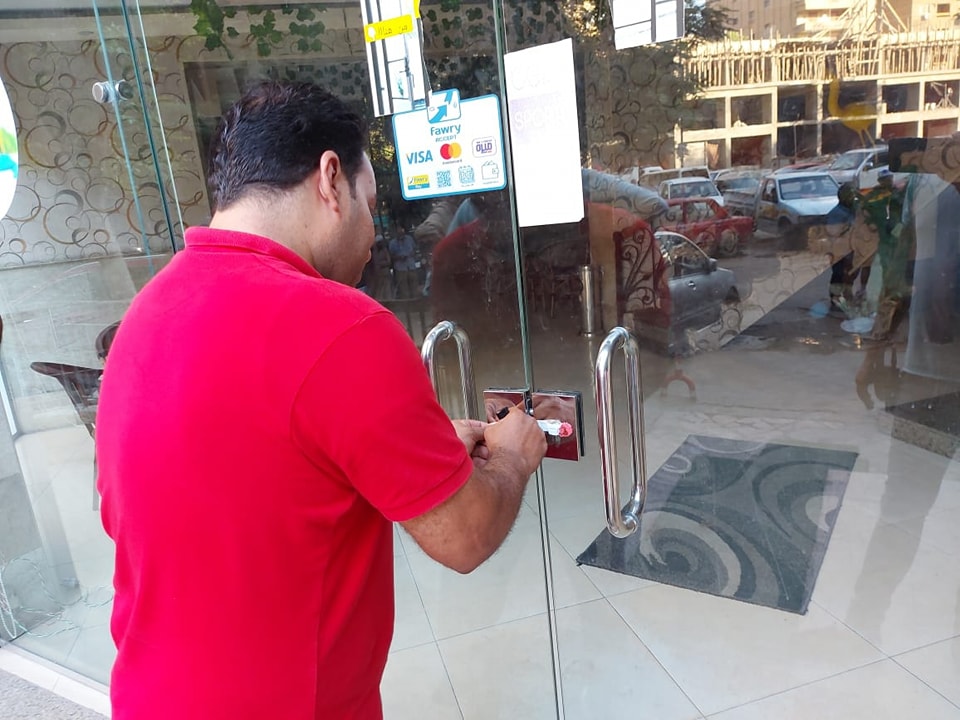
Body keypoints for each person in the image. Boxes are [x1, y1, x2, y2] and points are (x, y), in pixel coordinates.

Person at [95, 81, 547, 720]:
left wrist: (420, 452)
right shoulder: (344, 327)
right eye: (370, 204)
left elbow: (254, 475)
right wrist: (513, 455)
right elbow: (465, 536)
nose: (372, 235)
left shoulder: (146, 314)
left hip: (148, 697)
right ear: (331, 179)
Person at [388, 225, 418, 297]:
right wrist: (399, 257)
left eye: (401, 231)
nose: (400, 233)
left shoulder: (409, 239)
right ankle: (407, 302)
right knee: (403, 289)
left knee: (414, 286)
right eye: (398, 232)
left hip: (411, 266)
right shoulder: (392, 243)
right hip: (400, 268)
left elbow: (415, 249)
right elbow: (391, 256)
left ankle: (416, 300)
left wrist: (412, 253)